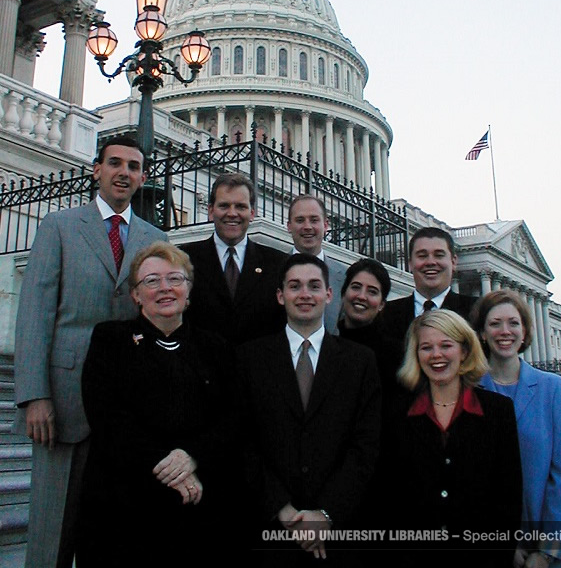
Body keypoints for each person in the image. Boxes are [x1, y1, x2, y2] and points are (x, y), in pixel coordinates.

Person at [12, 135, 167, 568]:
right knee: (51, 532)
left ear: (142, 177)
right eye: (114, 163)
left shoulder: (155, 239)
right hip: (64, 401)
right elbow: (35, 314)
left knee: (113, 531)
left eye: (133, 167)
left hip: (127, 409)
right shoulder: (59, 226)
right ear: (96, 170)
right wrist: (34, 396)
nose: (124, 173)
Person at [75, 241, 239, 567]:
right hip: (125, 506)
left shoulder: (216, 348)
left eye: (174, 279)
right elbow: (107, 416)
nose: (164, 288)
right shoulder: (110, 340)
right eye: (151, 281)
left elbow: (232, 416)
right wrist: (170, 469)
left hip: (198, 507)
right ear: (136, 295)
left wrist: (192, 455)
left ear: (188, 291)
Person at [237, 253, 381, 565]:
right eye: (295, 286)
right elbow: (243, 440)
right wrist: (283, 510)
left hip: (338, 534)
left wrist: (326, 514)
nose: (305, 294)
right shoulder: (250, 359)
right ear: (280, 295)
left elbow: (365, 446)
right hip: (270, 530)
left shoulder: (360, 361)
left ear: (329, 295)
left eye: (314, 286)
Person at [376, 309, 522, 567]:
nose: (436, 356)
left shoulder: (498, 411)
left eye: (446, 345)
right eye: (426, 347)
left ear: (464, 351)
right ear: (416, 354)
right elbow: (387, 496)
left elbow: (508, 497)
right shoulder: (395, 413)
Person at [471, 290, 561, 568]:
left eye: (513, 323)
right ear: (482, 333)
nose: (504, 331)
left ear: (524, 332)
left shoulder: (552, 387)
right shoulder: (469, 390)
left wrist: (547, 553)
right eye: (495, 324)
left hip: (551, 552)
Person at [182, 172, 286, 344]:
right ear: (210, 211)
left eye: (240, 206)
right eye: (224, 206)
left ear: (252, 213)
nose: (232, 213)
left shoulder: (277, 263)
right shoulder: (186, 259)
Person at [378, 227, 477, 380]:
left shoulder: (476, 312)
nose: (430, 262)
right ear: (410, 263)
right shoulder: (386, 315)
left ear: (453, 261)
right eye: (422, 255)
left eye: (439, 255)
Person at [287, 194, 347, 333]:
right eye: (300, 220)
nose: (307, 227)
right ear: (289, 226)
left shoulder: (344, 277)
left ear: (325, 225)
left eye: (314, 220)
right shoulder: (273, 270)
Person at [337, 258, 391, 359]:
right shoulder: (325, 341)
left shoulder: (393, 353)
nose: (362, 296)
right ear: (343, 293)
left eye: (372, 292)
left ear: (382, 304)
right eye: (356, 287)